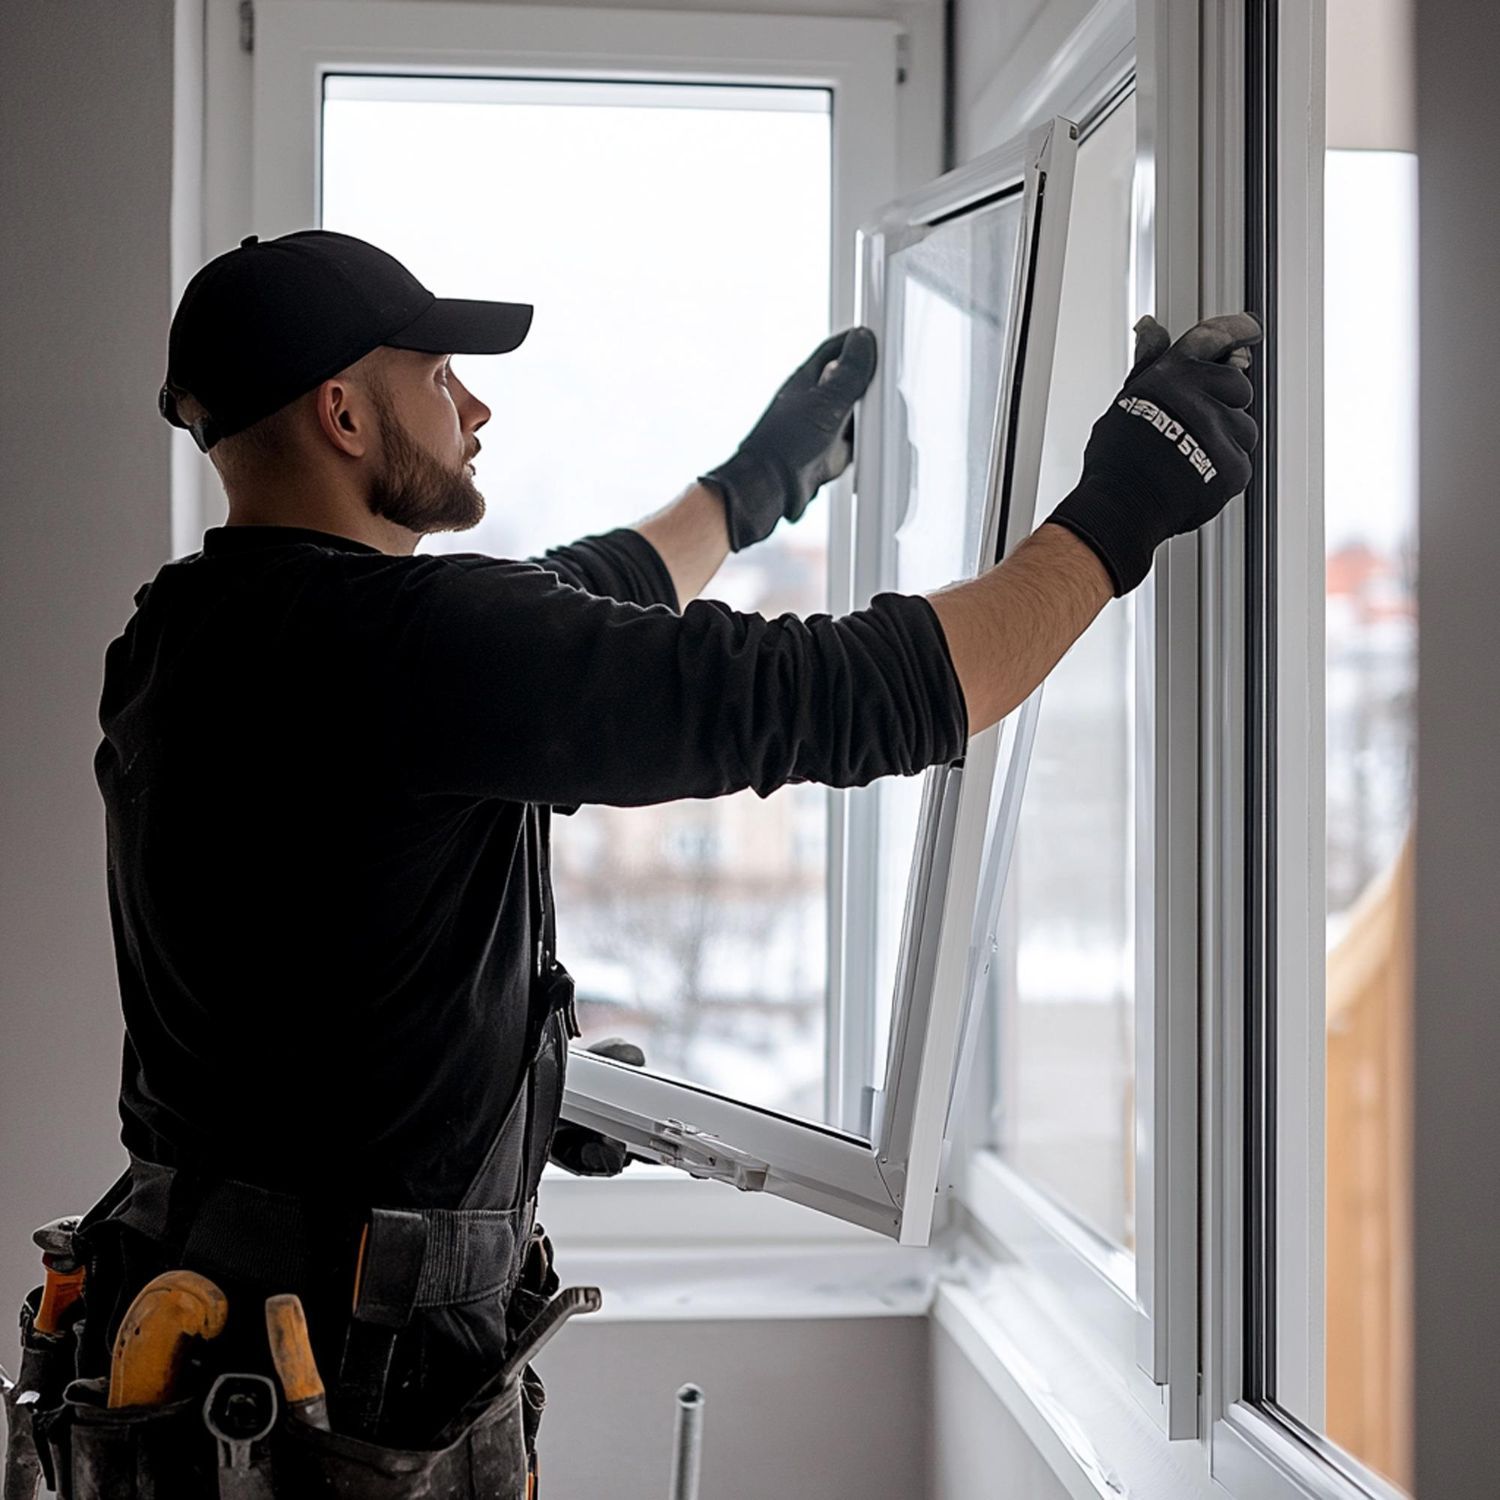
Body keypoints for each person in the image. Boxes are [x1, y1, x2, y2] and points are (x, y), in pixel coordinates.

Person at [68, 229, 1258, 1480]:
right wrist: (1124, 506)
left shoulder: (180, 639)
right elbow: (858, 693)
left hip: (191, 1335)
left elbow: (571, 604)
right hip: (339, 1398)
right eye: (437, 376)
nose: (475, 405)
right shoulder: (411, 650)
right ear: (345, 415)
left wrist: (751, 489)